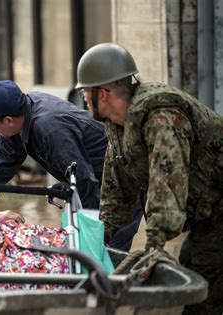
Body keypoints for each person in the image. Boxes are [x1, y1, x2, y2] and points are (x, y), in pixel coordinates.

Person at [75, 42, 223, 314]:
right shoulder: (117, 126)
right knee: (193, 263)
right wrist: (100, 238)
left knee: (201, 281)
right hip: (209, 206)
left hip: (218, 204)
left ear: (104, 93)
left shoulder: (161, 115)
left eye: (86, 91)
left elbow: (167, 179)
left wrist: (154, 243)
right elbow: (117, 187)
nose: (84, 98)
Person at [0, 80, 108, 218]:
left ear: (8, 121)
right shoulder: (21, 112)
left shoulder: (49, 129)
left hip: (113, 181)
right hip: (90, 184)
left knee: (104, 245)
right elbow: (6, 159)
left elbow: (83, 180)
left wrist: (89, 226)